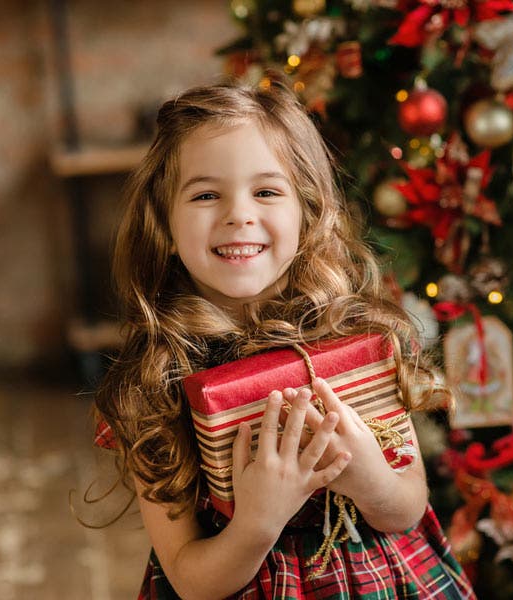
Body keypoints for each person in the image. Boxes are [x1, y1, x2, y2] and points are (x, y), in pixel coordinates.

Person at [91, 77, 475, 599]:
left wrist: (368, 478)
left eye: (267, 191)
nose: (238, 215)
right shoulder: (154, 382)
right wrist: (257, 521)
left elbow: (407, 506)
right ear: (165, 225)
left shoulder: (358, 338)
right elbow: (188, 576)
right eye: (206, 194)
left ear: (307, 211)